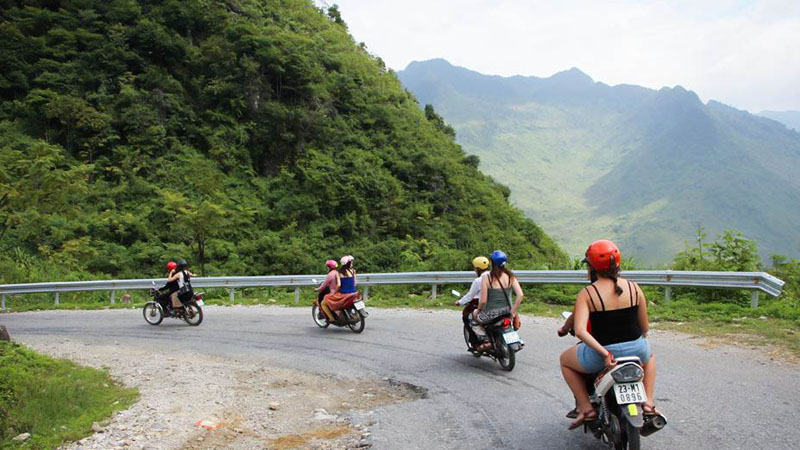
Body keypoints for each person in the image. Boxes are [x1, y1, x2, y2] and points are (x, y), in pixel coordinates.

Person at [559, 240, 659, 430]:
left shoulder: (588, 293)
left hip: (603, 355)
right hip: (637, 351)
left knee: (565, 360)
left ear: (591, 267)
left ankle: (586, 409)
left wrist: (605, 354)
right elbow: (644, 328)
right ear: (618, 263)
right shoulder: (634, 288)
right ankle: (648, 402)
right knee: (650, 356)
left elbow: (579, 331)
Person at [470, 250, 524, 351]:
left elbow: (483, 301)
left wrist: (477, 311)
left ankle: (486, 340)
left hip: (491, 314)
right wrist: (513, 312)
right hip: (507, 312)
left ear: (492, 263)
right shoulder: (510, 276)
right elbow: (520, 295)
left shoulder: (487, 278)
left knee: (472, 318)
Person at [456, 256, 490, 348]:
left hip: (481, 304)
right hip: (496, 305)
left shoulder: (479, 281)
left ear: (478, 269)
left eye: (475, 268)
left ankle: (476, 342)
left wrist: (460, 302)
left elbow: (470, 296)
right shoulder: (496, 277)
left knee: (467, 316)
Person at [321, 255, 357, 322]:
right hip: (354, 292)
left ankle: (332, 318)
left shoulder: (339, 272)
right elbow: (355, 283)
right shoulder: (353, 271)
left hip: (344, 294)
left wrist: (334, 293)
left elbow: (339, 285)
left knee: (326, 299)